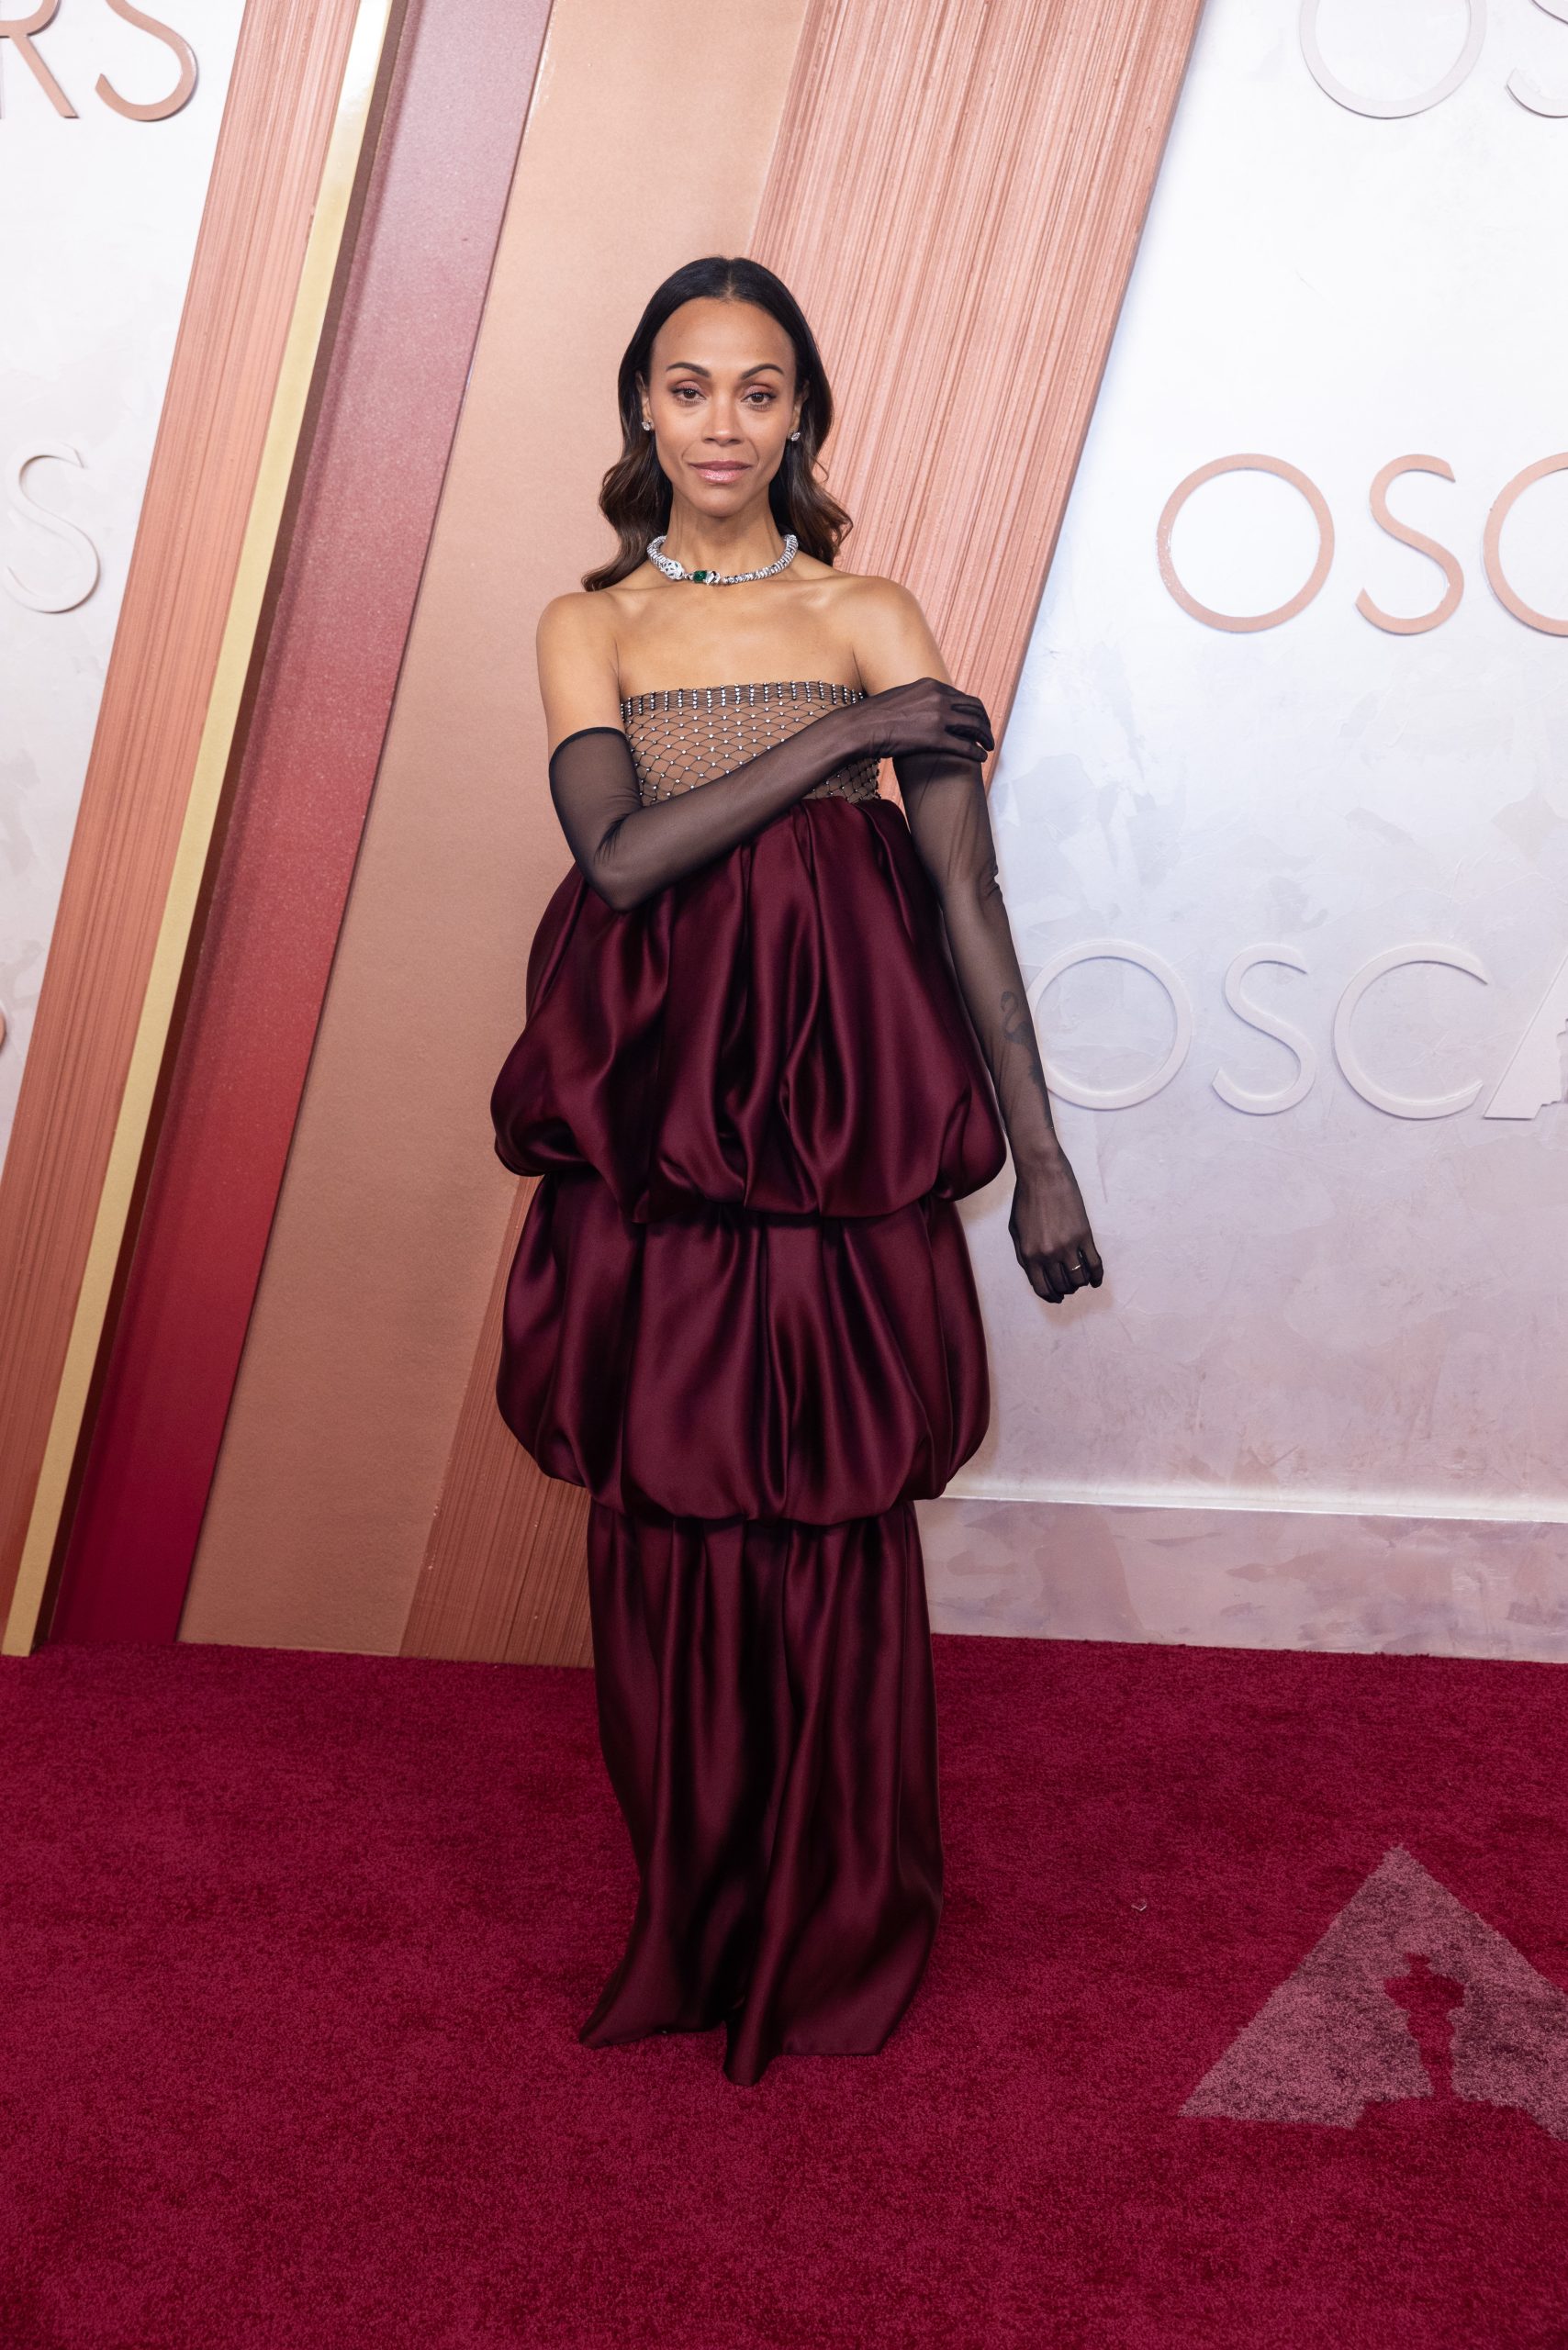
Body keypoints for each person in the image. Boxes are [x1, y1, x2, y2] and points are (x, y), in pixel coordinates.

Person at [489, 254, 1102, 2087]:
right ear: (639, 409)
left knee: (828, 1515)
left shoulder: (872, 602)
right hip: (663, 1141)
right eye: (687, 389)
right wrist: (844, 733)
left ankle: (837, 1913)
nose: (722, 426)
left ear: (803, 415)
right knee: (666, 1514)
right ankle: (691, 1906)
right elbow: (616, 862)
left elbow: (961, 897)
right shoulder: (583, 623)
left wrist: (1045, 1154)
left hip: (838, 1144)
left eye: (759, 392)